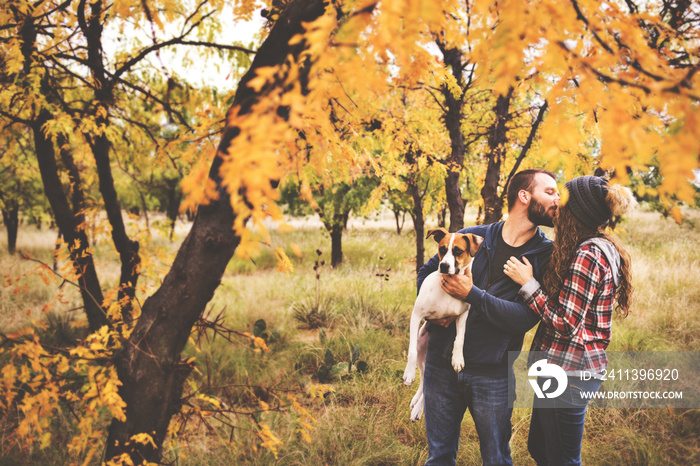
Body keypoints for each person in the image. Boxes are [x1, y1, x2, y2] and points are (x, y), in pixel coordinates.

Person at [416, 168, 560, 465]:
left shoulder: (545, 255)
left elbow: (524, 318)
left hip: (492, 373)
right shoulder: (474, 237)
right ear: (524, 196)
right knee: (438, 456)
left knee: (496, 458)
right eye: (550, 192)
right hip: (441, 367)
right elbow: (424, 274)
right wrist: (437, 311)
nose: (557, 199)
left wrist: (472, 295)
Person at [503, 175, 634, 465]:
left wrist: (528, 284)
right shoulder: (596, 246)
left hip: (571, 373)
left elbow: (565, 323)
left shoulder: (588, 254)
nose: (557, 205)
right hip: (559, 369)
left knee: (562, 459)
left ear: (576, 212)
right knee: (542, 449)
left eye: (563, 200)